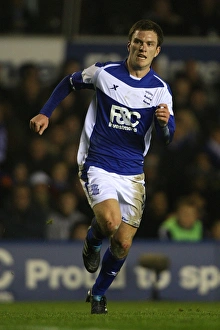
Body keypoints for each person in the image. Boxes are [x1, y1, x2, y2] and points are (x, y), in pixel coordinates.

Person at [29, 19, 175, 314]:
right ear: (129, 44)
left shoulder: (160, 90)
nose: (142, 47)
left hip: (132, 172)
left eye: (149, 44)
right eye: (138, 41)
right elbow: (69, 82)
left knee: (122, 243)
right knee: (109, 222)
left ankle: (97, 294)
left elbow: (167, 137)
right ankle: (92, 241)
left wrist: (163, 123)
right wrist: (46, 113)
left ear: (157, 51)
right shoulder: (104, 73)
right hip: (98, 162)